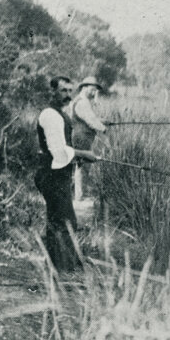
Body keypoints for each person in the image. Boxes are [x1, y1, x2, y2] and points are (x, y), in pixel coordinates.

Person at [35, 76, 100, 272]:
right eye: (63, 91)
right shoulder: (50, 115)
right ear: (51, 92)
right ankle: (61, 267)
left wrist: (77, 157)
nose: (68, 95)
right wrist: (84, 154)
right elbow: (58, 150)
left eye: (70, 91)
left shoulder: (61, 114)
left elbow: (65, 149)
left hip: (59, 172)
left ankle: (59, 263)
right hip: (51, 174)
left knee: (60, 217)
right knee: (63, 220)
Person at [65, 76, 107, 201]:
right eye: (92, 90)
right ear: (84, 87)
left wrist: (102, 121)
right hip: (81, 136)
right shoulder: (82, 103)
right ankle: (80, 196)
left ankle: (80, 194)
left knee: (81, 165)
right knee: (83, 165)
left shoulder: (80, 101)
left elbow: (89, 118)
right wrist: (103, 128)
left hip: (81, 135)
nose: (94, 93)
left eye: (96, 91)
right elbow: (91, 120)